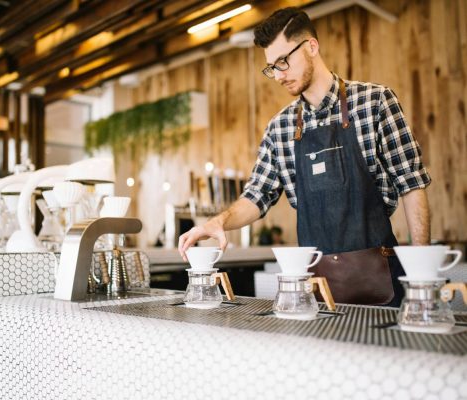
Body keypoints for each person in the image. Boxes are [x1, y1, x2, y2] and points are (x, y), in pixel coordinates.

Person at [178, 7, 431, 307]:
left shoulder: (375, 103)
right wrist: (217, 222)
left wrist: (421, 277)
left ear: (312, 46)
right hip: (316, 294)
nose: (279, 75)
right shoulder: (280, 128)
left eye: (284, 61)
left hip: (381, 284)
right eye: (272, 67)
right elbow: (256, 196)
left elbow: (412, 185)